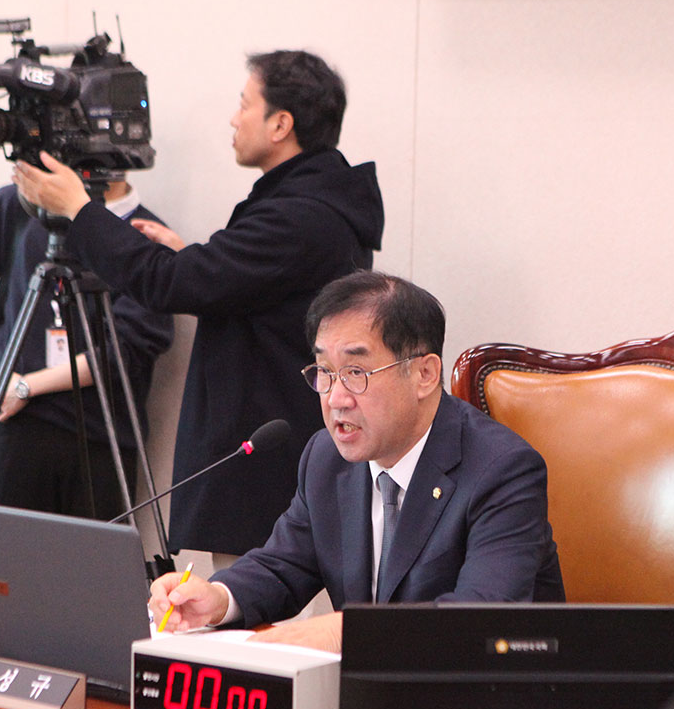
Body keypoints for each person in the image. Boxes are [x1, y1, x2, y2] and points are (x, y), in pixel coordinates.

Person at [11, 50, 385, 559]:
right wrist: (193, 257)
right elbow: (253, 290)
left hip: (267, 469)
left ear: (280, 124)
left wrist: (78, 209)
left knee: (249, 621)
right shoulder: (311, 202)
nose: (233, 118)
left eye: (244, 103)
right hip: (275, 454)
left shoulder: (299, 215)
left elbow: (167, 284)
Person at [147, 271, 565, 652]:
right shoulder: (326, 457)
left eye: (356, 372)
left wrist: (340, 631)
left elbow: (478, 619)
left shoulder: (503, 469)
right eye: (324, 372)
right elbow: (282, 565)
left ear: (424, 374)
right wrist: (218, 600)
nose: (335, 398)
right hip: (365, 700)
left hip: (486, 707)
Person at [0, 177, 174, 518]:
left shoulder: (146, 235)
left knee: (91, 568)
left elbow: (126, 352)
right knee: (12, 566)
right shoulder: (24, 205)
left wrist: (26, 387)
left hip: (101, 436)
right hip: (18, 430)